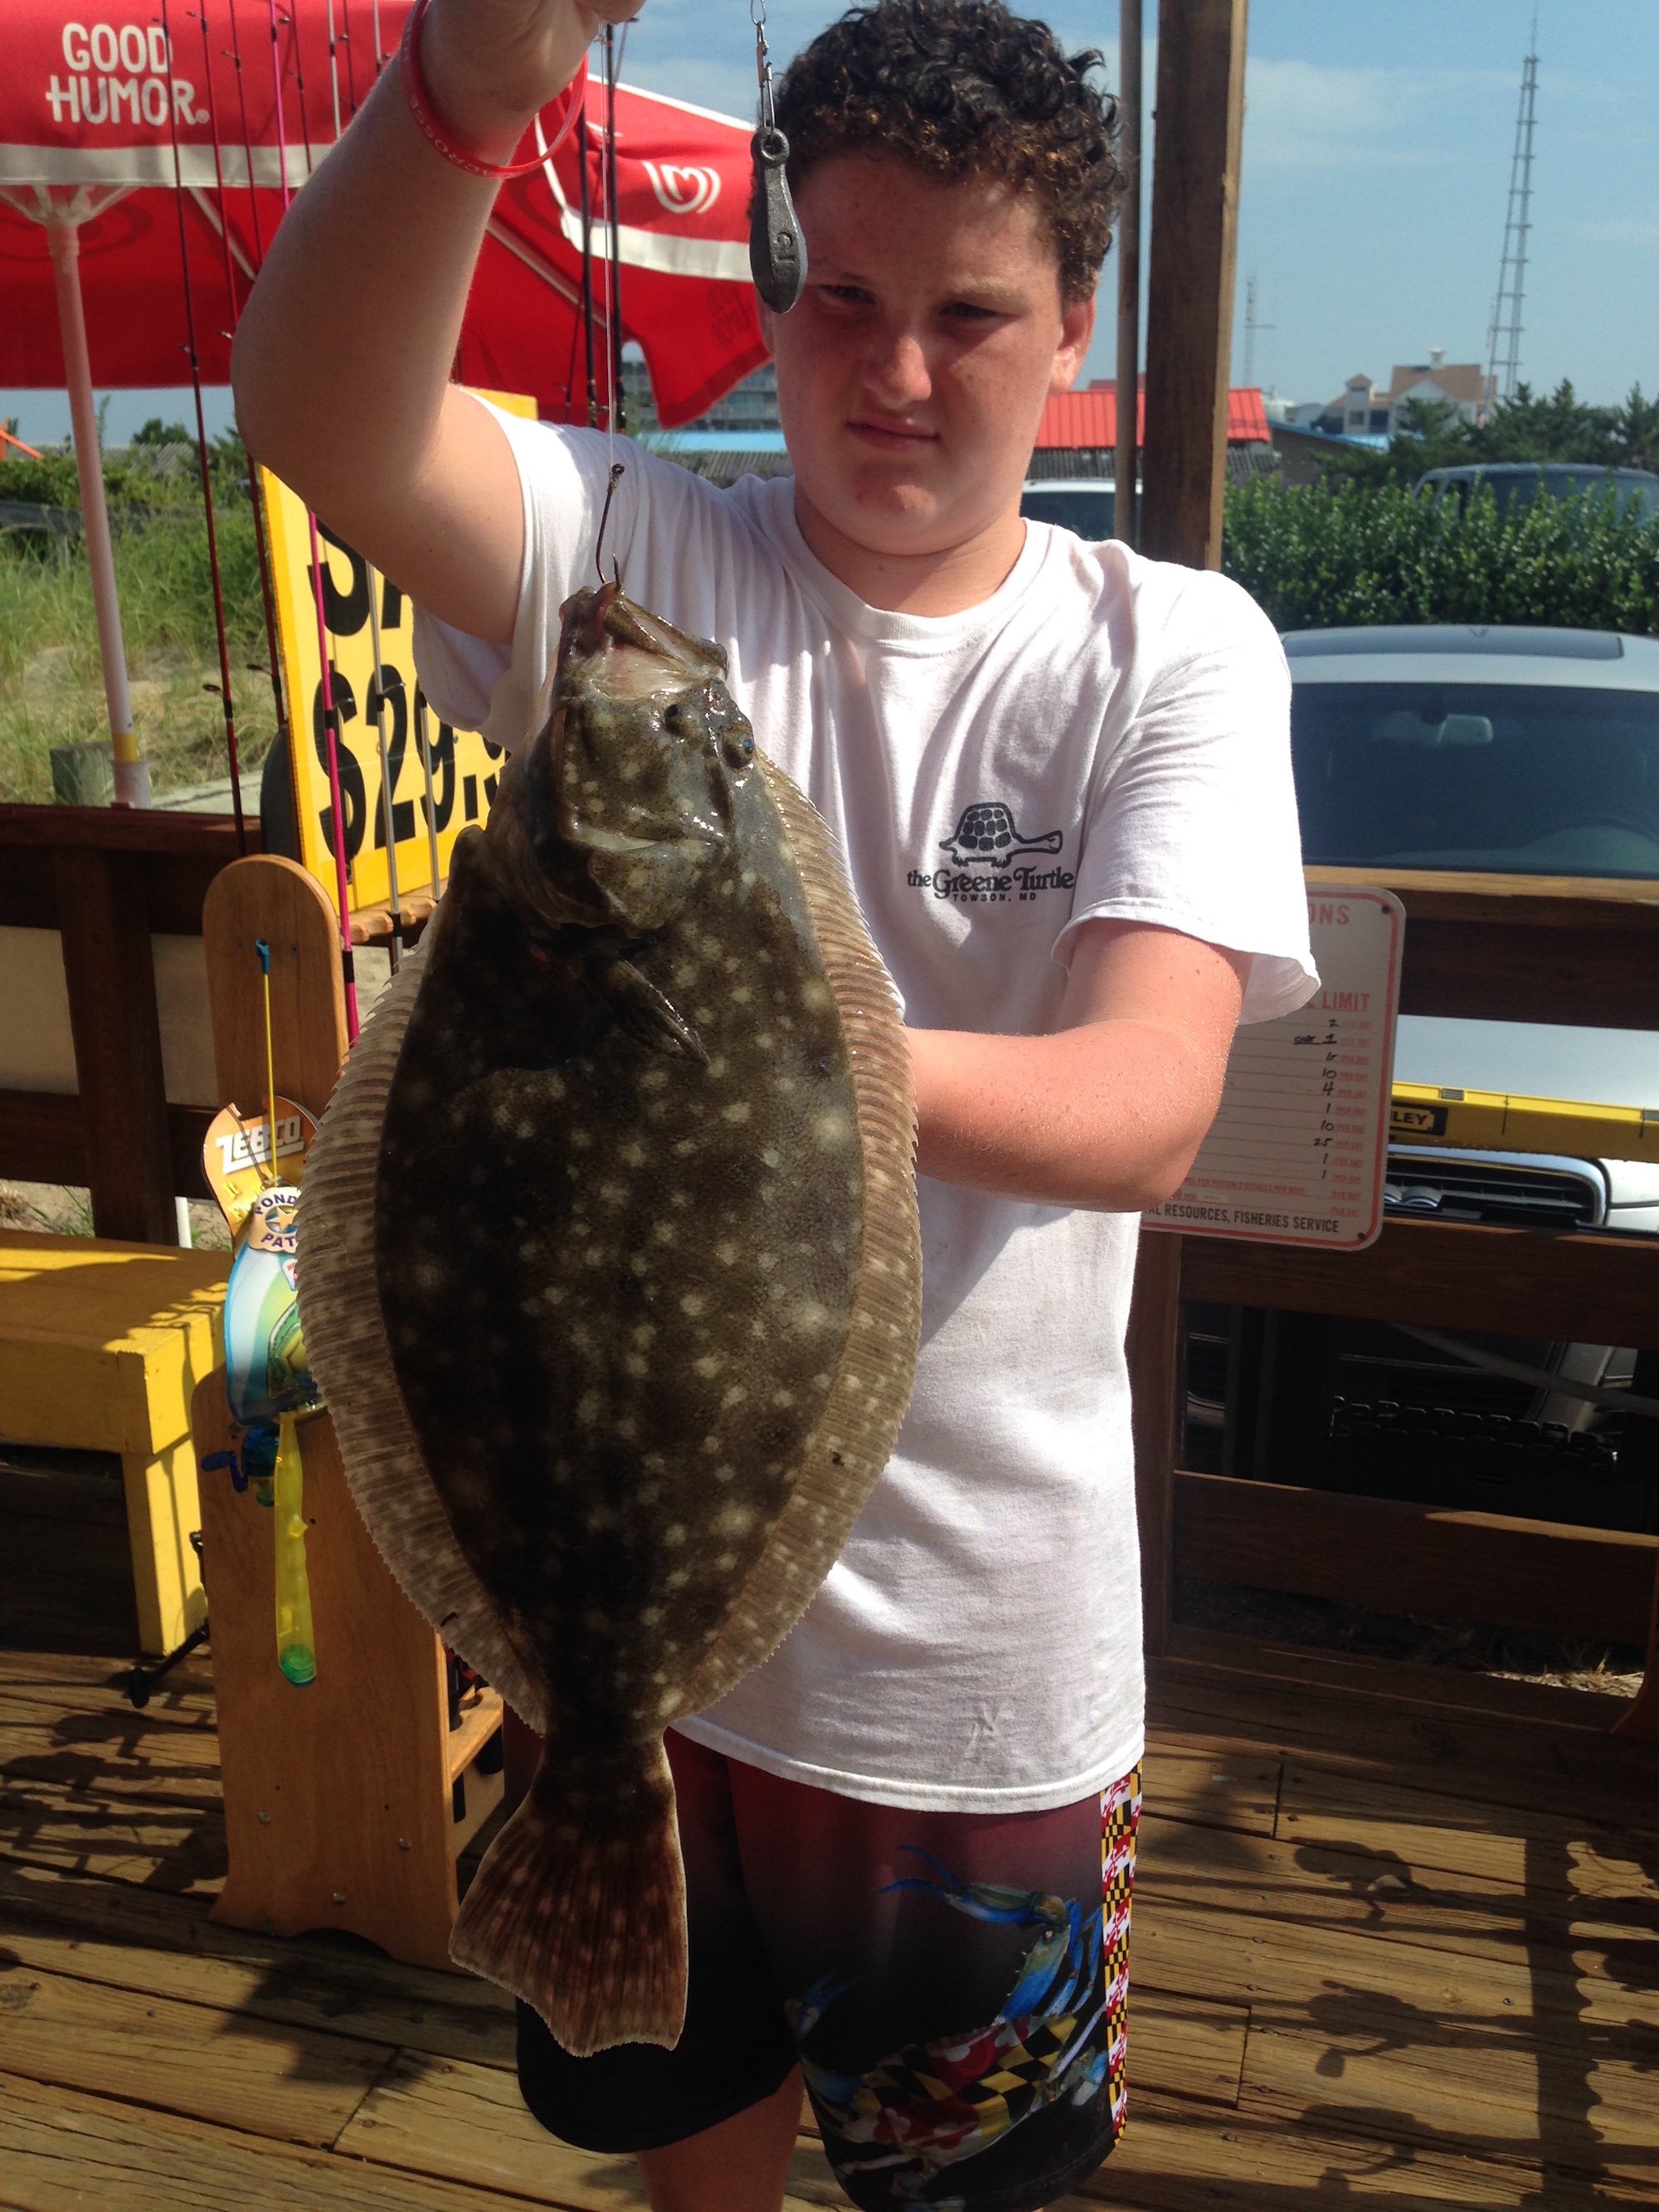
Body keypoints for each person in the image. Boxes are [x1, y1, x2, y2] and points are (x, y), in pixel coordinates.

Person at [234, 2, 1315, 2206]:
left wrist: (759, 1051)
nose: (895, 369)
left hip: (973, 1690)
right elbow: (321, 416)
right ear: (776, 292)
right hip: (628, 1661)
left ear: (1074, 329)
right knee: (688, 2174)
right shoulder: (639, 556)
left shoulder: (1170, 649)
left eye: (970, 314)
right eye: (841, 297)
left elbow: (1144, 1103)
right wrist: (468, 89)